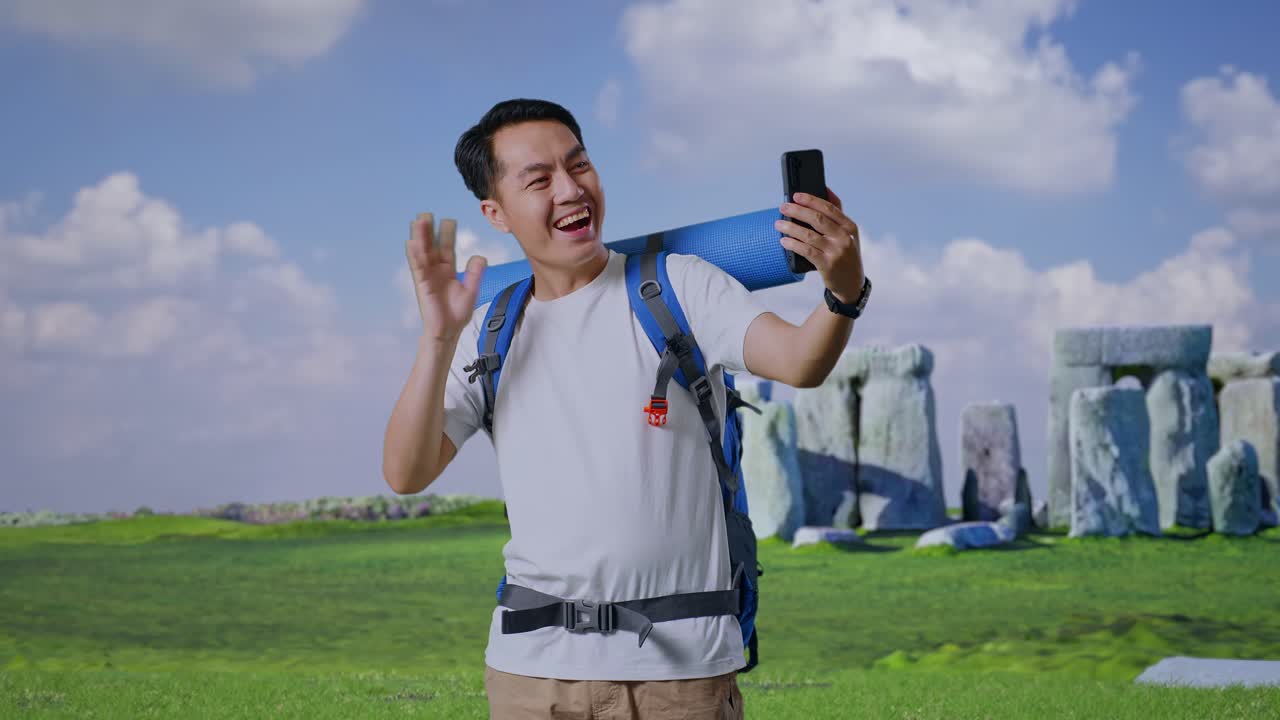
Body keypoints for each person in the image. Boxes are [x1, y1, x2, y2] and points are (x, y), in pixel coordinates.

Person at [383, 98, 868, 719]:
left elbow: (801, 360)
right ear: (495, 212)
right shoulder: (487, 330)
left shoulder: (681, 286)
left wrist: (843, 291)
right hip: (531, 678)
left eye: (579, 165)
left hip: (680, 677)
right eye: (540, 179)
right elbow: (405, 472)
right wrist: (436, 341)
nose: (570, 189)